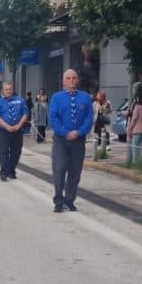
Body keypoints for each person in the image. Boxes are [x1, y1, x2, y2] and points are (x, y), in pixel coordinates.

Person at [49, 70, 93, 211]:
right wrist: (65, 132)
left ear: (77, 80)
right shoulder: (57, 97)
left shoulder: (85, 97)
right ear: (64, 81)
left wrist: (79, 132)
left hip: (78, 140)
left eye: (74, 78)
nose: (71, 80)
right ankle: (58, 200)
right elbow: (53, 118)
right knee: (60, 168)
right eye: (68, 78)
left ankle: (69, 200)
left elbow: (89, 118)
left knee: (75, 171)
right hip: (61, 140)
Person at [0, 82, 29, 182]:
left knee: (16, 153)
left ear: (13, 90)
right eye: (6, 89)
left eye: (10, 89)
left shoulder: (20, 100)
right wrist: (7, 127)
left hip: (17, 131)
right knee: (3, 152)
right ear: (3, 91)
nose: (8, 91)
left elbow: (25, 114)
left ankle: (11, 171)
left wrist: (18, 126)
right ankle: (3, 173)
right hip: (4, 131)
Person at [126, 91, 142, 163]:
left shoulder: (137, 107)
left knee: (135, 148)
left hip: (137, 130)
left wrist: (130, 129)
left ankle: (135, 163)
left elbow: (134, 119)